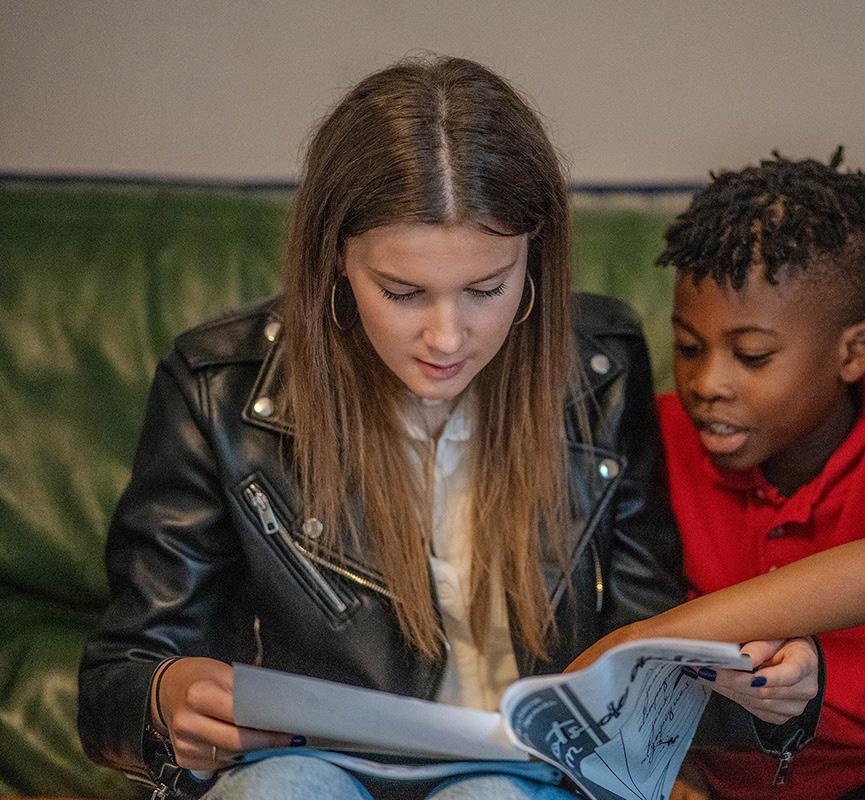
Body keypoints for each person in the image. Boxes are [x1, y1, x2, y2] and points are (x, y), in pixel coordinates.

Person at [76, 57, 819, 800]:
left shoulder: (600, 367)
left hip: (524, 775)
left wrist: (771, 698)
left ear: (536, 256)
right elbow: (122, 670)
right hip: (298, 764)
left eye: (486, 290)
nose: (446, 338)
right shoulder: (216, 385)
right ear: (336, 259)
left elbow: (642, 650)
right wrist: (162, 698)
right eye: (403, 293)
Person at [569, 150, 865, 800]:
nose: (707, 385)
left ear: (853, 352)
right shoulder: (655, 435)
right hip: (721, 780)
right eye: (688, 348)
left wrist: (646, 640)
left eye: (752, 356)